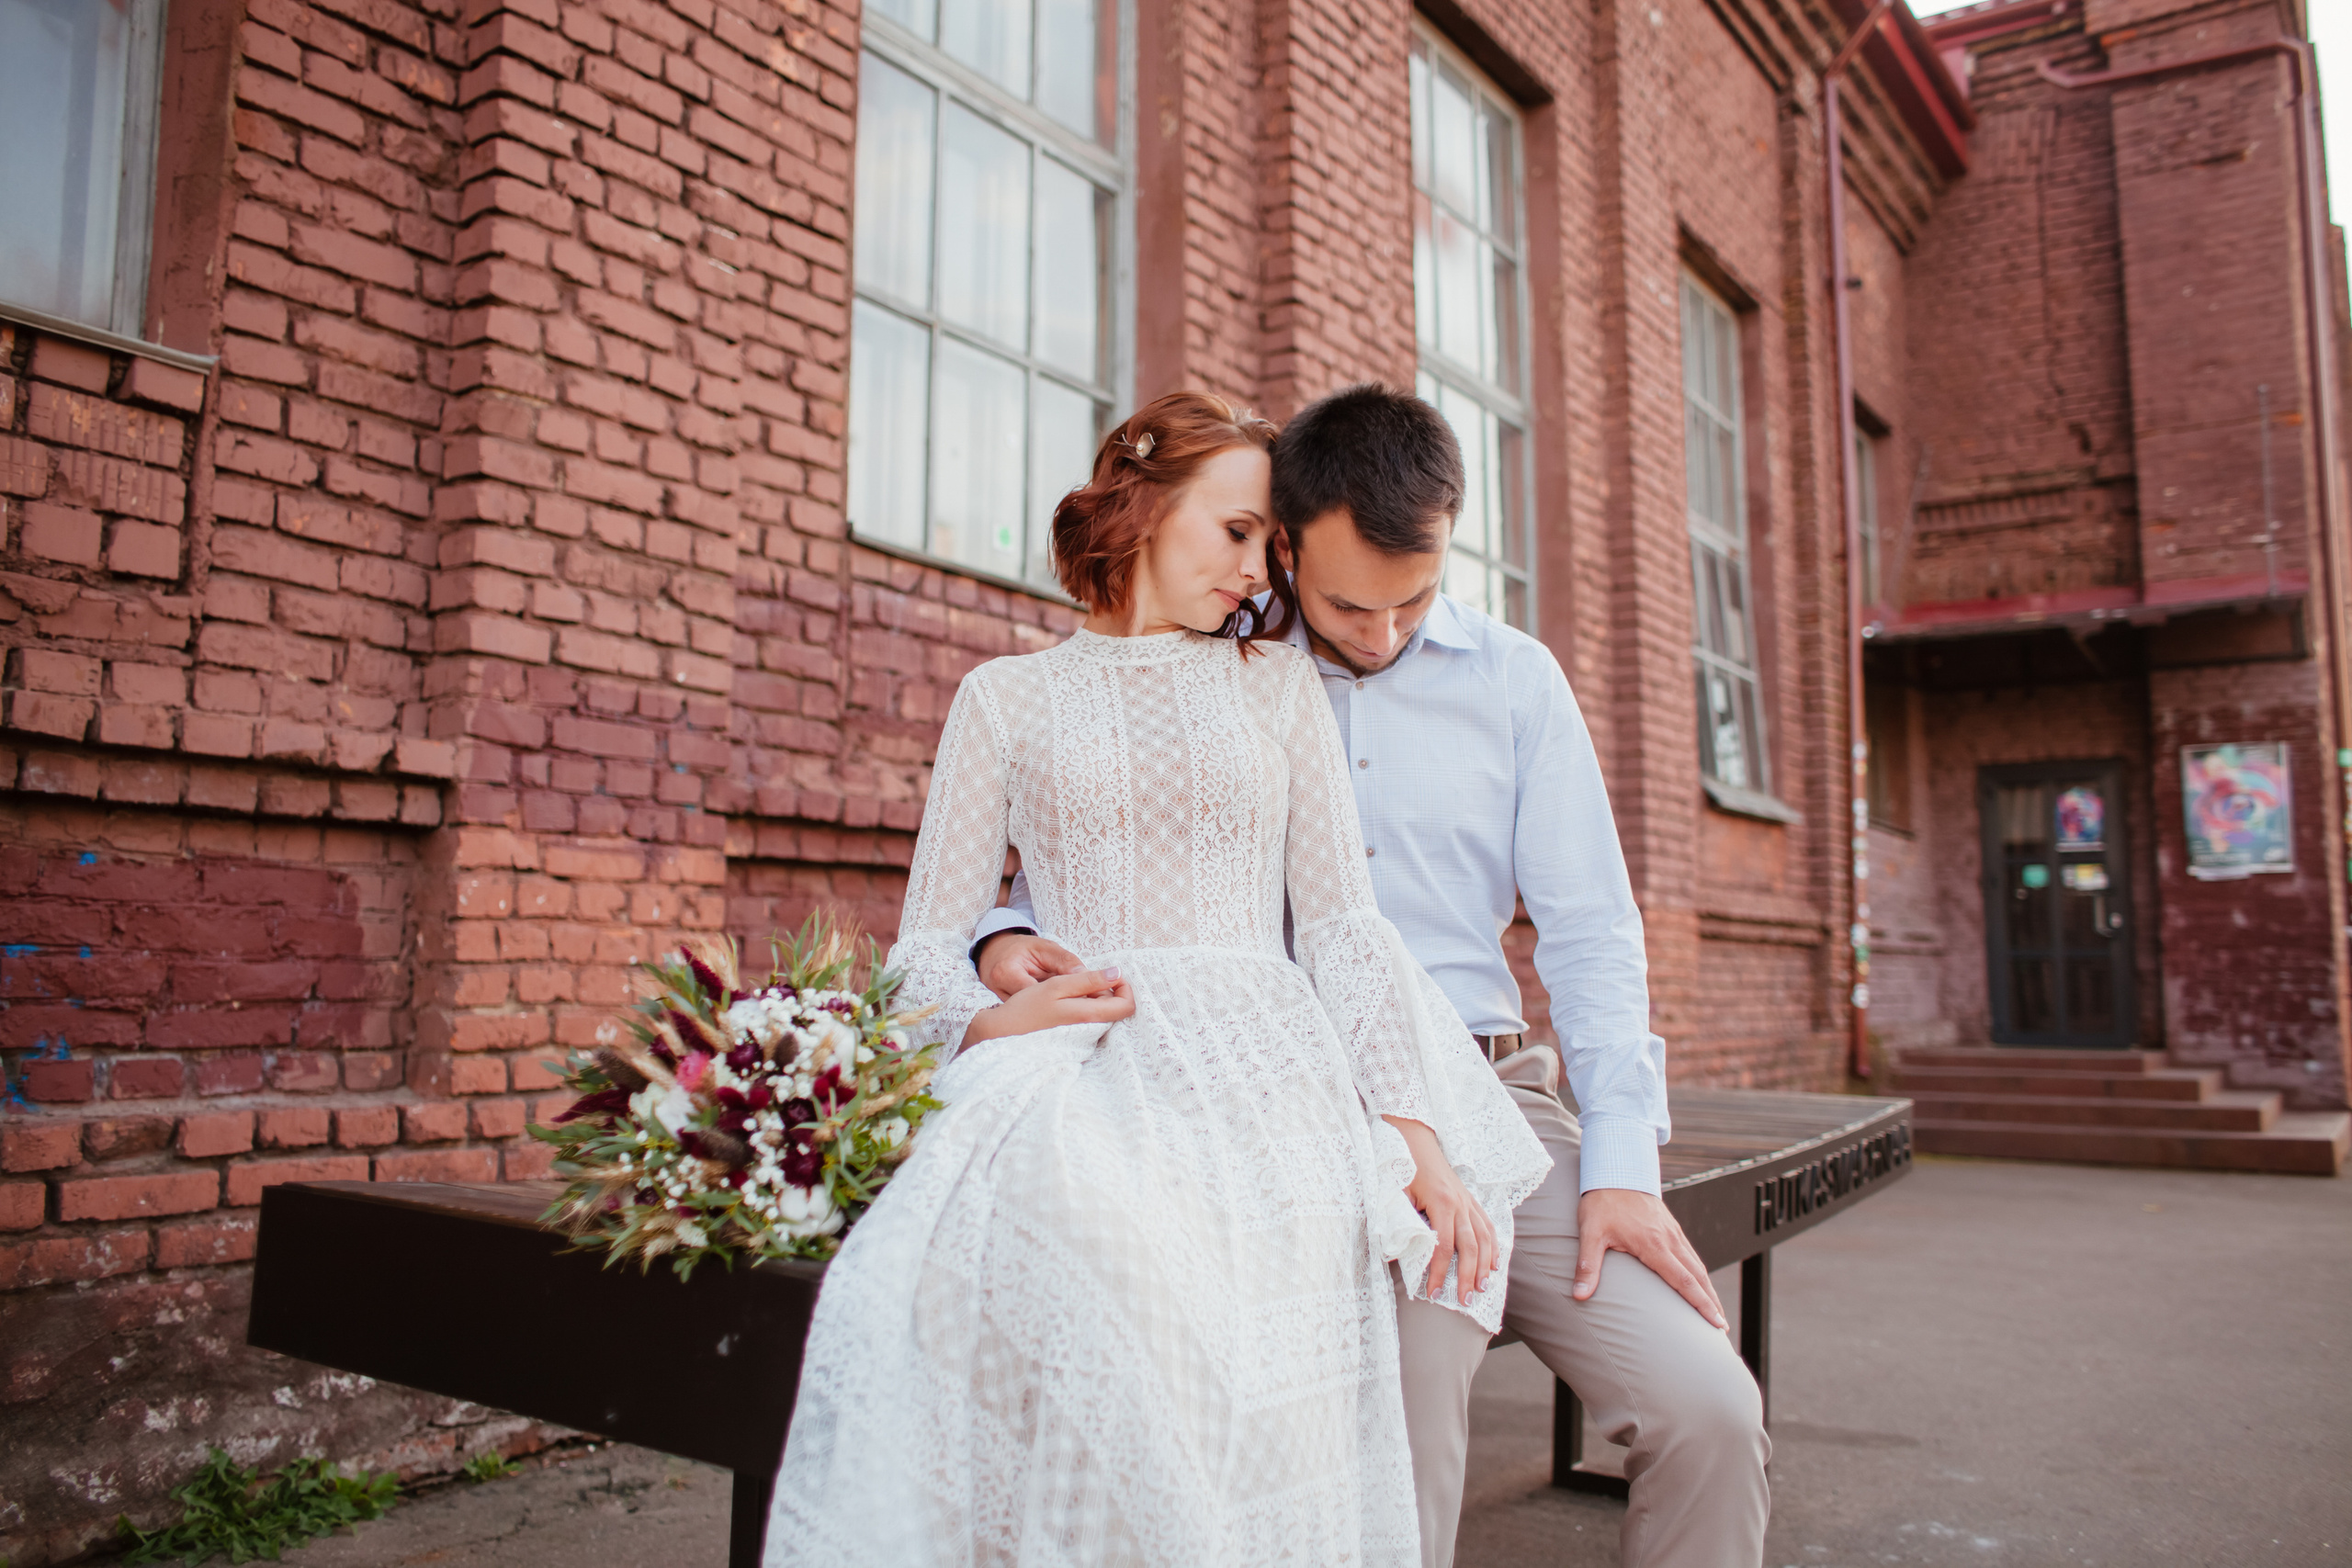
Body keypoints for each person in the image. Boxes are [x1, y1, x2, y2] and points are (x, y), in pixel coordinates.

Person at [973, 385, 1771, 1568]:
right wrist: (996, 935)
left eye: (1416, 598)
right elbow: (1102, 870)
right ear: (1284, 543)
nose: (1383, 633)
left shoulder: (1515, 682)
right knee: (1403, 1390)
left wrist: (1622, 1169)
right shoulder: (1217, 669)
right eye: (1350, 603)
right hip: (1292, 1119)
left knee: (1712, 1407)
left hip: (1501, 1104)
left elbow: (1593, 933)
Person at [766, 391, 1550, 1566]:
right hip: (1087, 1060)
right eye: (1236, 532)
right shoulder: (1005, 698)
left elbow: (1341, 926)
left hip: (1266, 1067)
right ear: (1141, 507)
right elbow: (923, 946)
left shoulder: (1275, 687)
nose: (1255, 570)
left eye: (1265, 545)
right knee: (1083, 1265)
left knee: (1255, 1312)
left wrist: (1416, 1135)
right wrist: (991, 1019)